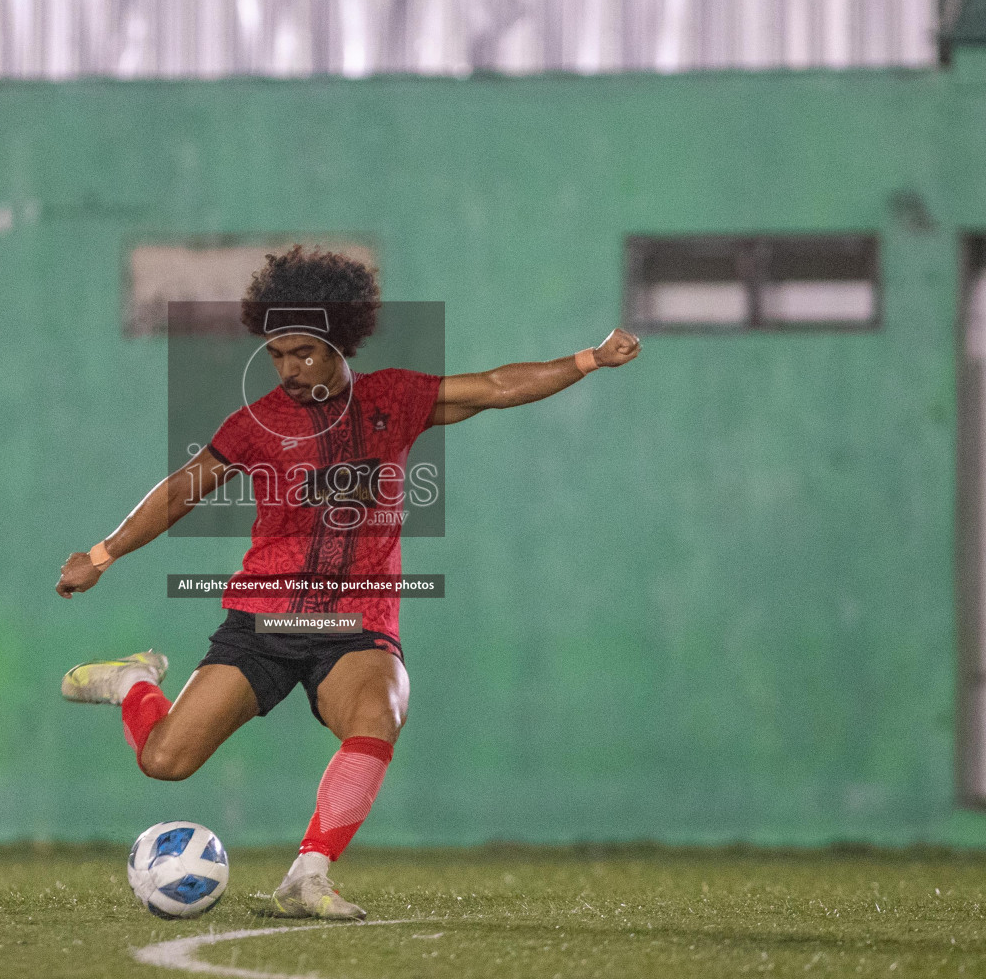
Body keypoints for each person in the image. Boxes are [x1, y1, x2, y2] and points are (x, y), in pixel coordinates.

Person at [57, 246, 640, 919]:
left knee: (381, 709)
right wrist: (100, 556)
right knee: (165, 762)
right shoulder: (255, 424)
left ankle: (308, 876)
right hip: (264, 620)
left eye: (303, 351)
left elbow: (495, 387)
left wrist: (590, 359)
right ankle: (136, 684)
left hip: (357, 624)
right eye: (276, 354)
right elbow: (178, 493)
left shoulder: (394, 398)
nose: (288, 367)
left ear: (339, 341)